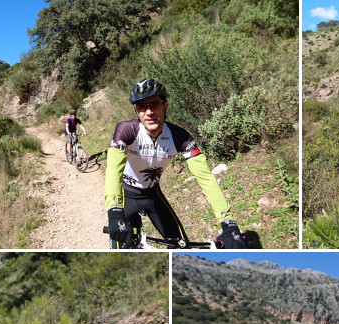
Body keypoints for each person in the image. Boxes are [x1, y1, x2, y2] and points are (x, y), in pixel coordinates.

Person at [105, 78, 245, 249]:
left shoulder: (180, 136)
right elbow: (113, 169)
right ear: (137, 111)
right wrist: (114, 211)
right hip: (126, 194)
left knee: (180, 245)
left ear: (165, 106)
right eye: (142, 106)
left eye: (154, 104)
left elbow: (205, 177)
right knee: (121, 247)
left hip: (153, 196)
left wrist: (228, 221)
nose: (148, 112)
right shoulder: (127, 130)